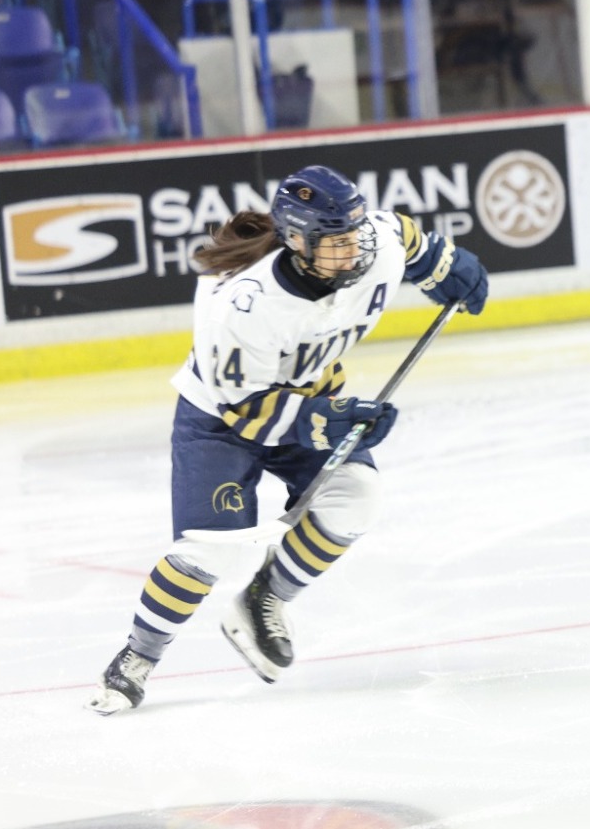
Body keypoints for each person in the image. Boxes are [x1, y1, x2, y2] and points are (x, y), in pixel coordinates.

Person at [86, 166, 489, 715]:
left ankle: (264, 599)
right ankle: (137, 657)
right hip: (223, 420)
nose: (352, 254)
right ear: (297, 241)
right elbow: (246, 410)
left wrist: (447, 264)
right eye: (335, 244)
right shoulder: (244, 305)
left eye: (355, 238)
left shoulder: (373, 245)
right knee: (208, 550)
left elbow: (404, 236)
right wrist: (332, 419)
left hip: (314, 398)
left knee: (357, 499)